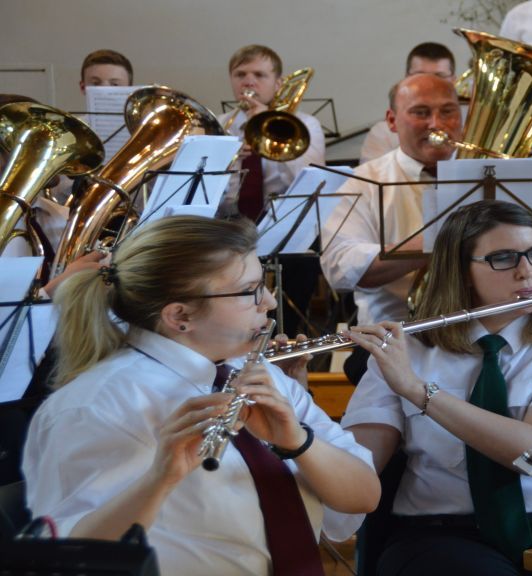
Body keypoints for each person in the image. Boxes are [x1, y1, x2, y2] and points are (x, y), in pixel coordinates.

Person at [21, 215, 379, 574]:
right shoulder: (94, 406)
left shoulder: (259, 373)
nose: (269, 302)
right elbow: (66, 559)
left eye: (265, 284)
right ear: (180, 316)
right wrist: (160, 479)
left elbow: (364, 495)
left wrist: (298, 442)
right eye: (250, 290)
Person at [341, 200, 532, 575]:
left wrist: (419, 391)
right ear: (461, 272)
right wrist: (294, 390)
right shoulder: (406, 350)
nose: (526, 272)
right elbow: (352, 468)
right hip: (439, 533)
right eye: (503, 258)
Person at [320, 73, 461, 383]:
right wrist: (434, 243)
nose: (436, 123)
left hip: (479, 336)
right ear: (393, 121)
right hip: (395, 340)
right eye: (420, 112)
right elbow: (341, 268)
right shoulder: (361, 181)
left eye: (448, 111)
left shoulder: (495, 175)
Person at [217, 44, 326, 221]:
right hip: (227, 221)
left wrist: (273, 129)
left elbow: (313, 184)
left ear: (278, 84)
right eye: (240, 74)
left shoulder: (305, 124)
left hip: (283, 218)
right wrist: (229, 160)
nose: (248, 81)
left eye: (259, 75)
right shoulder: (219, 125)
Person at [360, 42, 457, 165]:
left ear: (454, 81)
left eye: (439, 76)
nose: (429, 84)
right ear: (406, 78)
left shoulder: (466, 128)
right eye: (420, 75)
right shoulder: (382, 133)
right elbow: (371, 179)